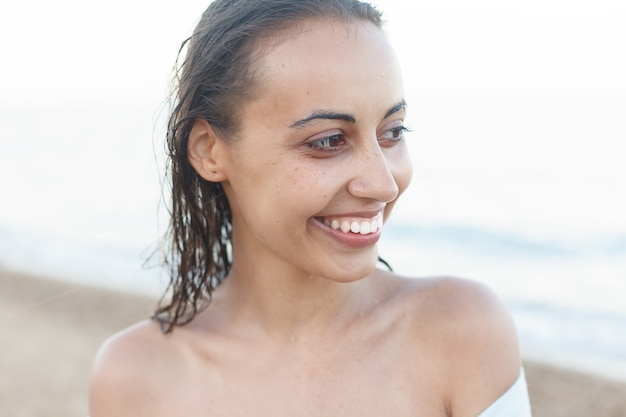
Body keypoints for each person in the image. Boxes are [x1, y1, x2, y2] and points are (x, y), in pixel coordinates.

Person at [89, 0, 531, 415]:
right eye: (327, 141)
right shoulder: (136, 377)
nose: (382, 184)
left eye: (392, 132)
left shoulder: (463, 332)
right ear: (210, 151)